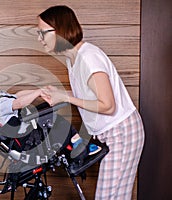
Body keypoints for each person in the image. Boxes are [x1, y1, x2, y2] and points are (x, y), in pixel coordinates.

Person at [37, 5, 145, 200]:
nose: (39, 38)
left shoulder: (88, 58)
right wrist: (61, 94)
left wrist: (66, 98)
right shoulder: (74, 58)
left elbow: (107, 105)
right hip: (114, 133)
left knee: (108, 197)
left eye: (42, 32)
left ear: (59, 30)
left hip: (121, 132)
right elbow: (88, 92)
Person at [0, 69, 101, 157]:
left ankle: (72, 148)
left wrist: (40, 91)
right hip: (29, 139)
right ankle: (80, 148)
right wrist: (38, 92)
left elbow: (18, 95)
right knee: (56, 121)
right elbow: (19, 103)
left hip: (28, 134)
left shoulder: (0, 98)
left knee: (50, 115)